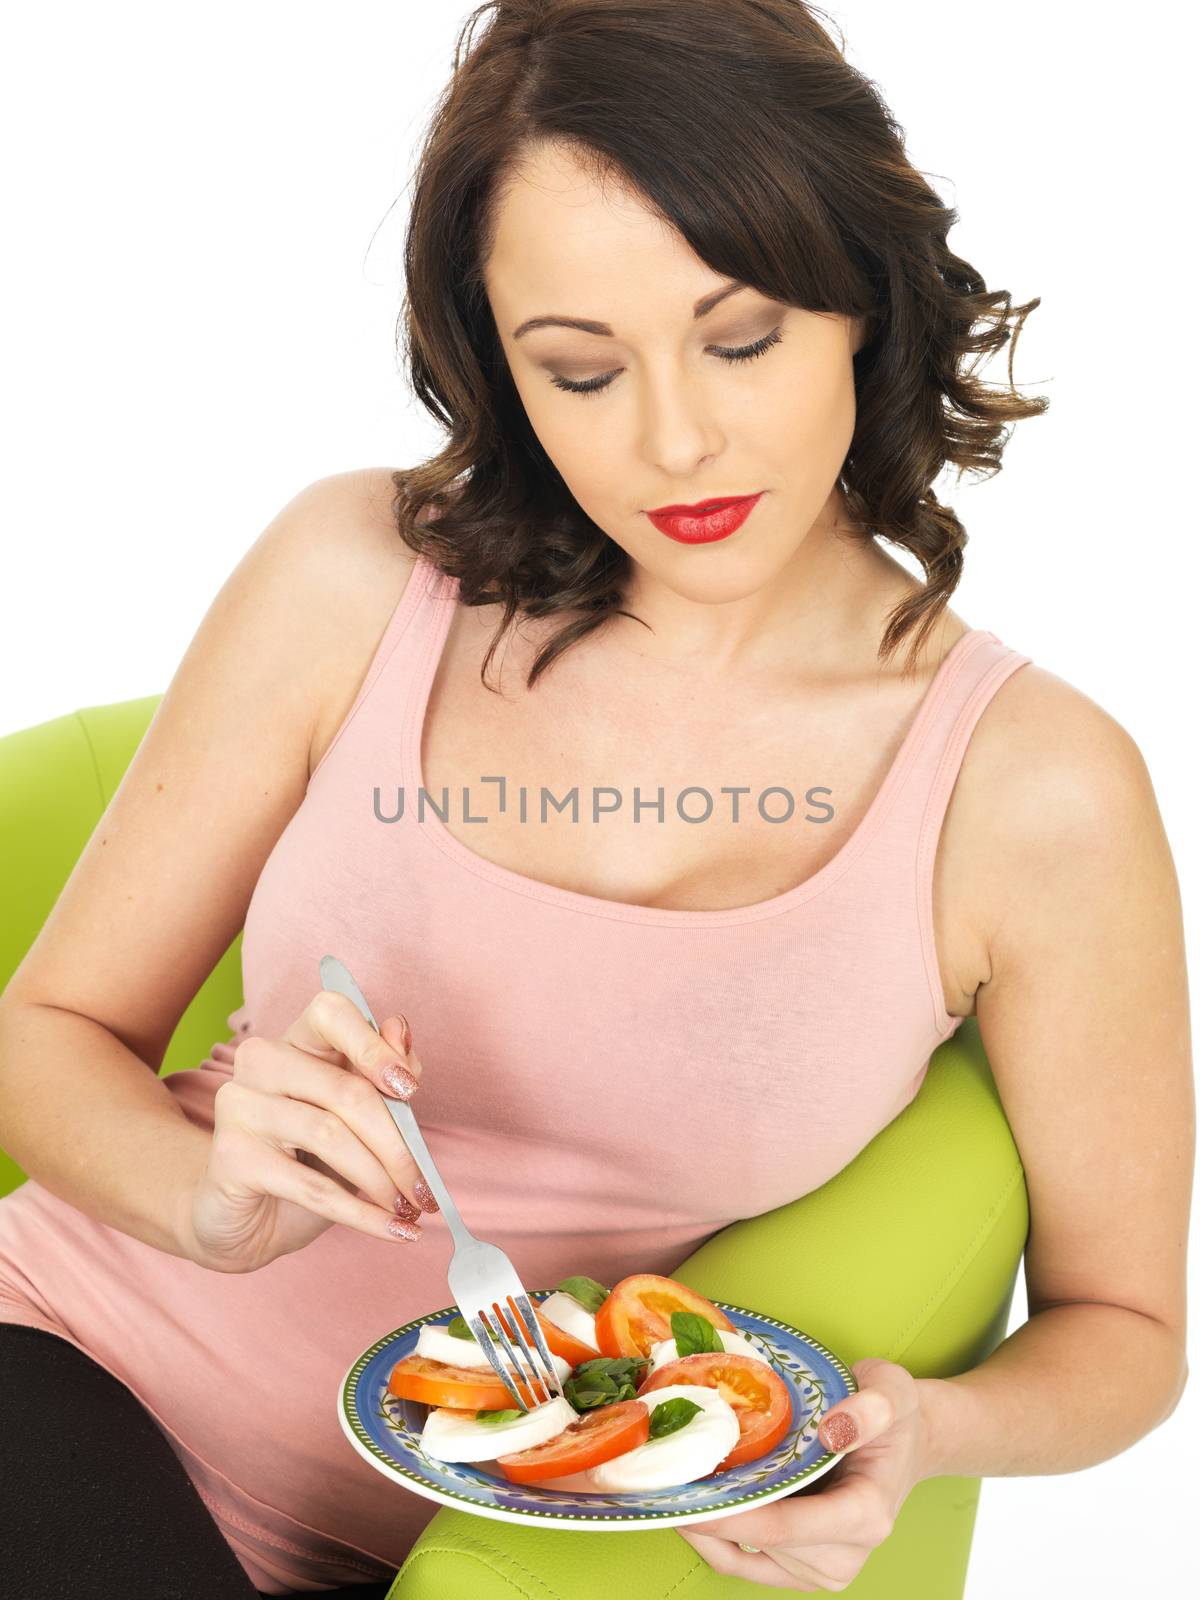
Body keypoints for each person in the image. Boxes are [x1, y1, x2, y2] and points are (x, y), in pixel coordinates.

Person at [0, 1, 1190, 1594]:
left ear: (861, 295)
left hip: (470, 1549)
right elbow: (48, 1035)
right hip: (74, 1376)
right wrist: (204, 1204)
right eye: (578, 370)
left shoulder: (1033, 792)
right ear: (497, 361)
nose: (675, 438)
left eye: (743, 338)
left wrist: (919, 1423)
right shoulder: (358, 577)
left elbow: (1127, 1331)